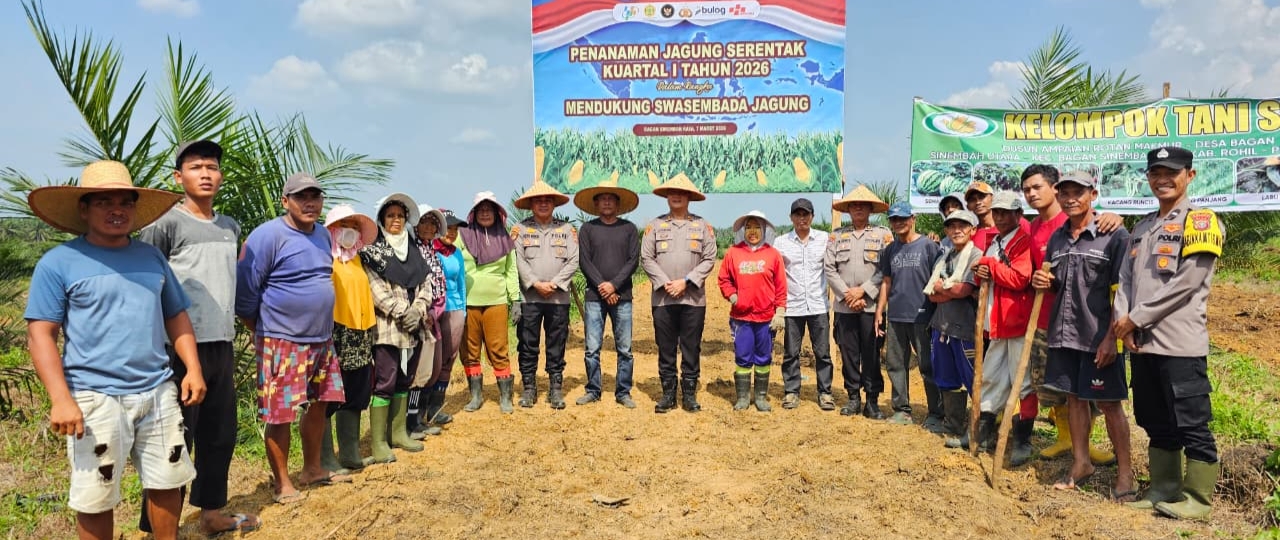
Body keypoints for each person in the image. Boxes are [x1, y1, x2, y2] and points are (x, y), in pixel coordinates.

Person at [26, 160, 202, 540]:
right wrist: (60, 398)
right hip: (94, 396)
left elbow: (175, 314)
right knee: (96, 494)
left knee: (168, 479)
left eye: (125, 202)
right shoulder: (58, 263)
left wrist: (193, 368)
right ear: (84, 209)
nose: (116, 210)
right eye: (104, 202)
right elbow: (41, 334)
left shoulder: (151, 258)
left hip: (157, 389)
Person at [136, 141, 258, 536]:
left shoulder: (229, 227)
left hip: (220, 343)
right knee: (173, 438)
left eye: (212, 167)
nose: (205, 174)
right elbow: (147, 284)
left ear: (220, 176)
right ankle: (159, 527)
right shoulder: (164, 224)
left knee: (219, 434)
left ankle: (211, 513)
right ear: (178, 177)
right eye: (195, 167)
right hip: (177, 347)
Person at [1114, 146, 1224, 519]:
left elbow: (1187, 283)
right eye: (1155, 173)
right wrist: (1123, 320)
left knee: (1191, 421)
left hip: (1179, 344)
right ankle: (1163, 486)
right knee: (1154, 419)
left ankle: (1198, 499)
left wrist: (1135, 318)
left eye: (1171, 172)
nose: (1162, 179)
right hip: (1142, 344)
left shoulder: (1201, 221)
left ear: (1189, 176)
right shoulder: (1142, 227)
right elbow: (1125, 280)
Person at [236, 172, 348, 505]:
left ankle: (312, 469)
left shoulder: (322, 236)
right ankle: (282, 483)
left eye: (315, 196)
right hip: (281, 340)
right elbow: (245, 292)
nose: (310, 203)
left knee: (320, 403)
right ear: (286, 201)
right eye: (301, 197)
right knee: (280, 413)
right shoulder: (267, 236)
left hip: (321, 339)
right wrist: (262, 330)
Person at [1031, 170, 1134, 497]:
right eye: (1065, 193)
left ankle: (1126, 474)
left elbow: (1123, 291)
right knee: (1074, 398)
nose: (1071, 198)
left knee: (1109, 404)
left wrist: (1111, 339)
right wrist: (1045, 282)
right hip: (1064, 334)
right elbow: (1059, 284)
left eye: (1079, 192)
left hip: (1097, 336)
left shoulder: (1113, 235)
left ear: (1093, 194)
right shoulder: (1058, 238)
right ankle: (1081, 462)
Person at [1021, 164, 1119, 466]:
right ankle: (1070, 444)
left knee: (1097, 394)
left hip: (1090, 325)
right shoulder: (1037, 228)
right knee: (1060, 389)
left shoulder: (1091, 225)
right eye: (1026, 189)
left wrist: (1115, 216)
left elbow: (1119, 283)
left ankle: (1093, 450)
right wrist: (1042, 280)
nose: (1031, 194)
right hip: (1051, 322)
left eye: (1037, 187)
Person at [359, 194, 433, 458]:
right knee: (385, 380)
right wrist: (404, 312)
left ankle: (398, 433)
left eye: (400, 216)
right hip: (388, 329)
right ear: (382, 220)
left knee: (405, 380)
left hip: (415, 328)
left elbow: (426, 284)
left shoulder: (413, 250)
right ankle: (379, 442)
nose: (396, 220)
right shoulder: (372, 252)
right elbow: (377, 291)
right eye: (390, 215)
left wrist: (419, 310)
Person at [640, 173, 718, 413]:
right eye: (672, 192)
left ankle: (689, 395)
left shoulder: (702, 226)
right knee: (665, 347)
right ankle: (668, 394)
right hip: (663, 299)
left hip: (693, 299)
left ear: (689, 197)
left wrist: (685, 282)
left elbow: (709, 258)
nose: (676, 196)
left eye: (681, 193)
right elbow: (646, 258)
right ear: (666, 197)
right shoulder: (654, 226)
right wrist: (666, 283)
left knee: (691, 347)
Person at [971, 192, 1034, 459]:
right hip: (996, 322)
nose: (1000, 217)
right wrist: (980, 271)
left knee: (1023, 381)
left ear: (1018, 215)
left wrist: (988, 265)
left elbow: (1020, 278)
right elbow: (985, 276)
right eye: (996, 212)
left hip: (1016, 322)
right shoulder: (995, 242)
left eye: (1006, 213)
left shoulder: (1024, 242)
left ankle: (1022, 440)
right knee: (991, 378)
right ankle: (982, 433)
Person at [510, 181, 579, 409]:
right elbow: (517, 260)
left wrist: (555, 284)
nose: (543, 204)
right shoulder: (520, 230)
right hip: (530, 298)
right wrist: (535, 283)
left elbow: (574, 260)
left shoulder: (567, 230)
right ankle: (529, 388)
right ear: (531, 204)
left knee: (556, 343)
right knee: (527, 343)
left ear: (554, 204)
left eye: (547, 200)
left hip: (558, 298)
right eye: (538, 200)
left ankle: (555, 389)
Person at [322, 204, 379, 470]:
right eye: (345, 226)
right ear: (332, 229)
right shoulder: (325, 258)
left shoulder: (359, 259)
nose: (351, 231)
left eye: (355, 227)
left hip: (361, 331)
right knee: (328, 394)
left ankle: (350, 453)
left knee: (356, 391)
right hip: (335, 331)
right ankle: (325, 459)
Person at [876, 201, 943, 429]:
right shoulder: (890, 250)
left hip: (922, 316)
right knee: (895, 364)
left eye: (903, 218)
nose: (899, 223)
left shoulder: (929, 246)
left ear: (913, 219)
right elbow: (886, 282)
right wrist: (880, 311)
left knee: (927, 365)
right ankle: (901, 409)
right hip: (896, 316)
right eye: (894, 219)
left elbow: (938, 278)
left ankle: (936, 413)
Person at [825, 185, 891, 419]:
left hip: (872, 307)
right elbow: (829, 269)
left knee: (872, 353)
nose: (858, 208)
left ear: (871, 209)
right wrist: (848, 295)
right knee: (848, 353)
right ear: (848, 210)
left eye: (863, 205)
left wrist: (863, 292)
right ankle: (853, 397)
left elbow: (885, 269)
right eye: (854, 205)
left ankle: (872, 400)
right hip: (845, 307)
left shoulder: (882, 235)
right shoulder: (836, 235)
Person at [574, 182, 641, 408]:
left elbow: (633, 261)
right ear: (596, 204)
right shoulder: (587, 229)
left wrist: (614, 285)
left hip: (623, 296)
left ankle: (623, 391)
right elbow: (584, 261)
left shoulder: (629, 229)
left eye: (611, 199)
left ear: (618, 204)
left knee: (625, 349)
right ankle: (593, 390)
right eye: (602, 199)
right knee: (592, 348)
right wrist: (603, 287)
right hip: (595, 297)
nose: (607, 202)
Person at [457, 192, 521, 413]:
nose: (485, 213)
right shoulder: (462, 235)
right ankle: (475, 396)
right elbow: (453, 263)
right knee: (470, 349)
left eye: (489, 209)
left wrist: (516, 299)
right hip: (468, 302)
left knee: (498, 348)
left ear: (496, 213)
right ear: (474, 213)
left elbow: (511, 271)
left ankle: (505, 397)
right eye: (481, 209)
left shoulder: (505, 238)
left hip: (496, 301)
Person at [718, 210, 787, 412]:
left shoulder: (773, 254)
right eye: (748, 227)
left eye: (757, 227)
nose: (753, 231)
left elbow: (781, 285)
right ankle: (742, 397)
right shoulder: (733, 253)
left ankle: (761, 397)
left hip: (766, 317)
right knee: (743, 355)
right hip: (741, 317)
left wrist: (780, 311)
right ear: (743, 230)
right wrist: (732, 295)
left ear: (764, 230)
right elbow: (723, 279)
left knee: (763, 356)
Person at [926, 210, 983, 449]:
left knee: (973, 380)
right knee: (946, 377)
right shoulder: (945, 256)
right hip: (942, 326)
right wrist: (949, 291)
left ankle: (978, 432)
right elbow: (932, 295)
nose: (957, 230)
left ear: (973, 230)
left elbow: (965, 290)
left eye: (963, 225)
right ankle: (953, 424)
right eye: (952, 226)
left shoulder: (976, 256)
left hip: (964, 328)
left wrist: (944, 289)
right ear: (946, 231)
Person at [773, 198, 834, 410]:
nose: (802, 218)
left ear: (812, 217)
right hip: (793, 306)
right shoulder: (781, 242)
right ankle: (791, 392)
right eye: (797, 214)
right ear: (791, 217)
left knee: (823, 352)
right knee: (791, 352)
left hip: (818, 305)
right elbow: (775, 274)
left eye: (806, 214)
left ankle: (825, 393)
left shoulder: (824, 239)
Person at [416, 207, 465, 430]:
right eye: (448, 228)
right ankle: (420, 411)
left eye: (455, 229)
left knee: (448, 358)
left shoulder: (456, 253)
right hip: (434, 310)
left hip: (455, 309)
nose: (452, 233)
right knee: (431, 361)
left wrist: (463, 310)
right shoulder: (428, 249)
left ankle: (436, 407)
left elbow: (461, 283)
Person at [406, 204, 448, 438]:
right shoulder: (411, 251)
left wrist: (434, 314)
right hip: (415, 320)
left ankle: (417, 419)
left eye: (433, 223)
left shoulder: (433, 253)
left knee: (425, 372)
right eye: (424, 222)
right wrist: (423, 313)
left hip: (432, 320)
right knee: (413, 373)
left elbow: (440, 292)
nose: (429, 227)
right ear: (415, 225)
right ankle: (408, 422)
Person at [964, 181, 999, 250]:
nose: (978, 202)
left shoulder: (1010, 226)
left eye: (981, 197)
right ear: (968, 206)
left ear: (993, 198)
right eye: (972, 199)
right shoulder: (969, 235)